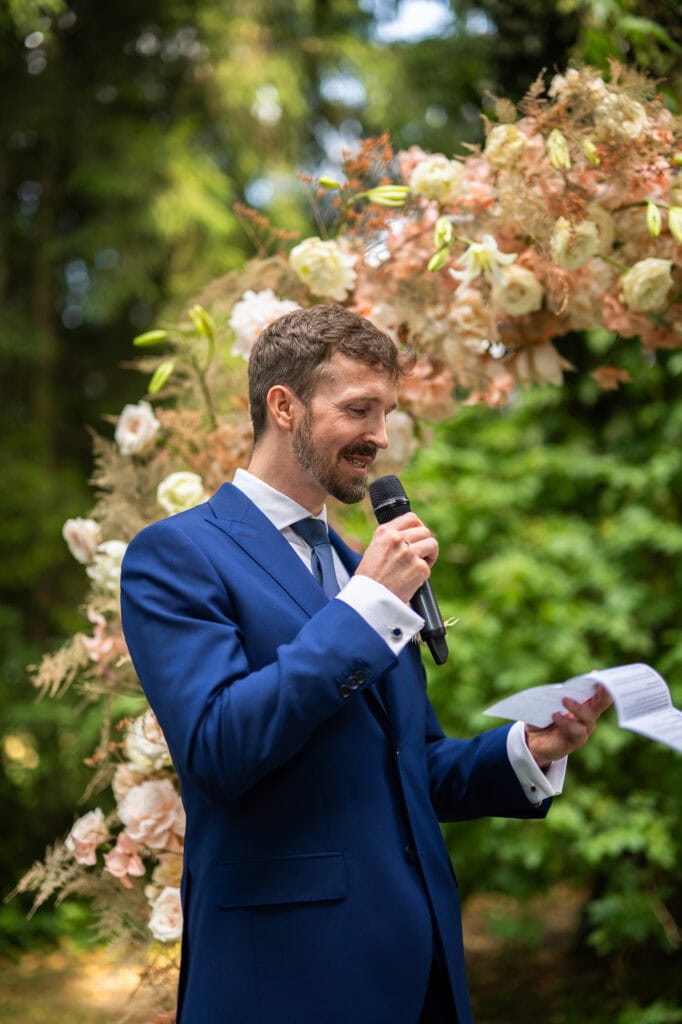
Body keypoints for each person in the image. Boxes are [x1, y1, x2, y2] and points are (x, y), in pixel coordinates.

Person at [120, 304, 611, 1024]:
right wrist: (366, 608)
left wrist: (528, 750)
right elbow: (218, 748)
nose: (380, 436)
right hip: (284, 979)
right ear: (283, 407)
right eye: (359, 409)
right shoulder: (178, 555)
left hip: (420, 974)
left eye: (386, 411)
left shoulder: (357, 568)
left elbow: (408, 767)